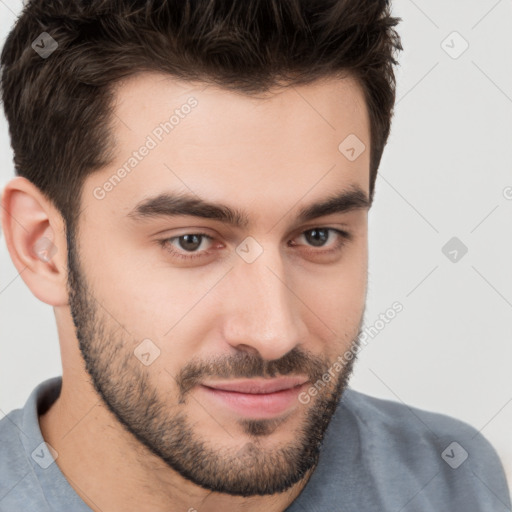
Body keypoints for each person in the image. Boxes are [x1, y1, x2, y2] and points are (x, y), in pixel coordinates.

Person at [0, 1, 510, 511]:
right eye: (191, 241)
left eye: (318, 236)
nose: (274, 333)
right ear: (42, 247)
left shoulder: (453, 483)